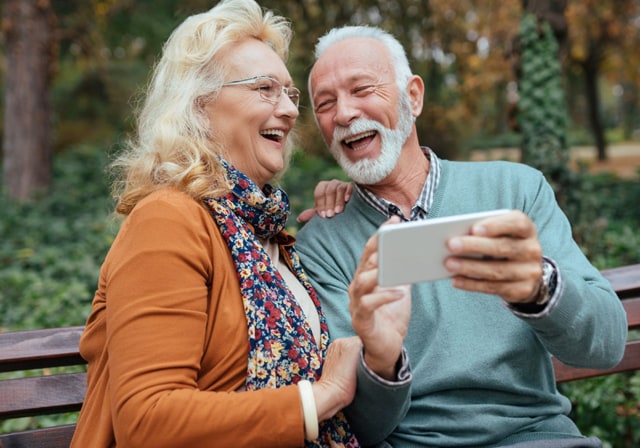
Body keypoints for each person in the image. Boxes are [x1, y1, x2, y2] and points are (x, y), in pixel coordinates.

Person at [70, 3, 412, 447]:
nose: (289, 110)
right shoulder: (167, 219)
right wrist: (319, 397)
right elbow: (148, 421)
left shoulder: (264, 234)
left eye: (289, 93)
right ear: (199, 104)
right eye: (265, 88)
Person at [295, 25, 628, 448]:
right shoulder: (322, 244)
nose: (343, 113)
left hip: (538, 438)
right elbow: (360, 427)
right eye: (325, 103)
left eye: (362, 89)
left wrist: (538, 286)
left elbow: (606, 345)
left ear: (412, 97)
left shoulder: (515, 191)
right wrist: (381, 358)